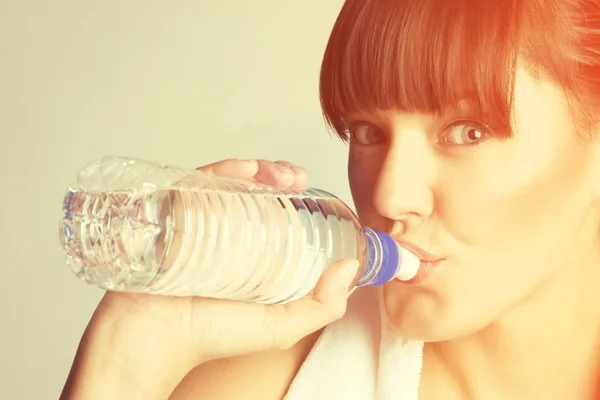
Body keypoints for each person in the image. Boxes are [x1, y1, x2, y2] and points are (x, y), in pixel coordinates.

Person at [60, 0, 600, 399]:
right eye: (367, 132)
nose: (388, 194)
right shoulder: (267, 386)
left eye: (468, 132)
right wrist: (129, 353)